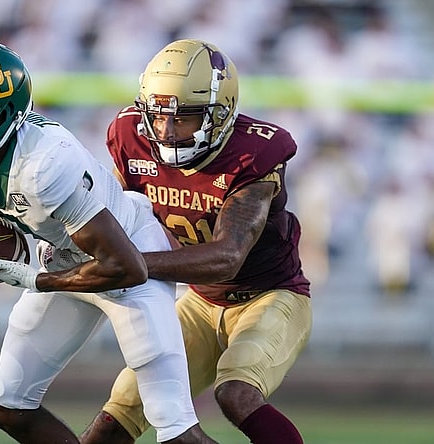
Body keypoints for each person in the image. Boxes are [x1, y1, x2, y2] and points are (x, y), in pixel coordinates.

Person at [0, 39, 217, 444]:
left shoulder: (45, 163)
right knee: (6, 404)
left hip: (129, 261)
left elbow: (125, 267)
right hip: (65, 260)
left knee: (174, 432)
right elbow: (18, 237)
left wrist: (38, 280)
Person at [78, 39, 313, 444]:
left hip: (270, 295)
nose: (167, 131)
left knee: (236, 393)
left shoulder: (252, 154)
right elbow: (118, 215)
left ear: (219, 114)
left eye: (184, 118)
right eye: (158, 115)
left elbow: (226, 257)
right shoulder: (129, 136)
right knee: (121, 410)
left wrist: (131, 262)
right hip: (201, 301)